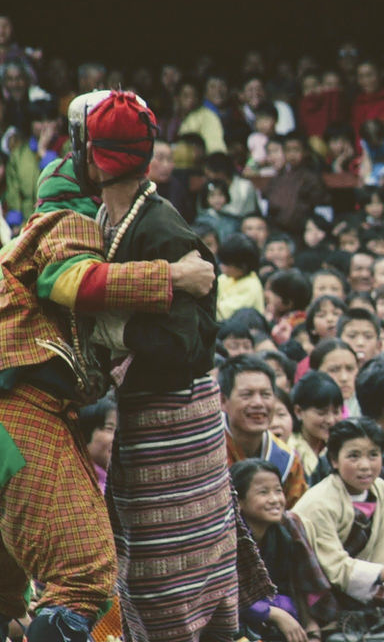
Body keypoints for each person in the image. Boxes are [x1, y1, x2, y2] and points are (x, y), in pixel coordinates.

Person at [0, 127, 214, 641]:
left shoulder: (25, 240)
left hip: (18, 415)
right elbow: (68, 281)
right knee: (83, 577)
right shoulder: (67, 222)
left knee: (6, 588)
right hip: (19, 410)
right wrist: (172, 277)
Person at [85, 91, 269, 641]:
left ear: (95, 158)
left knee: (171, 585)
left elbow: (188, 349)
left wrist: (112, 328)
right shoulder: (109, 217)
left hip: (177, 426)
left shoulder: (162, 229)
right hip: (146, 420)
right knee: (147, 575)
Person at [291, 418, 384, 605]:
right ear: (334, 460)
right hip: (319, 593)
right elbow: (335, 569)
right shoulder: (318, 503)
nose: (365, 465)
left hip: (369, 587)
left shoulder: (379, 488)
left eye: (373, 455)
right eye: (353, 456)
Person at [232, 459, 331, 640]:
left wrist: (310, 628)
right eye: (263, 492)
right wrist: (274, 613)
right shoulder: (228, 540)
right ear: (239, 501)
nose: (275, 499)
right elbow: (225, 597)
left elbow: (294, 585)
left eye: (278, 490)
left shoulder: (285, 532)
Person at [219, 354, 309, 508]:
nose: (258, 403)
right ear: (223, 401)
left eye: (266, 394)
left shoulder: (286, 459)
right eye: (247, 395)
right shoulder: (208, 451)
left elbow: (298, 515)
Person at [289, 370, 343, 481]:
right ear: (298, 411)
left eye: (336, 412)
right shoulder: (288, 451)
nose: (331, 421)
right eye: (322, 413)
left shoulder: (342, 447)